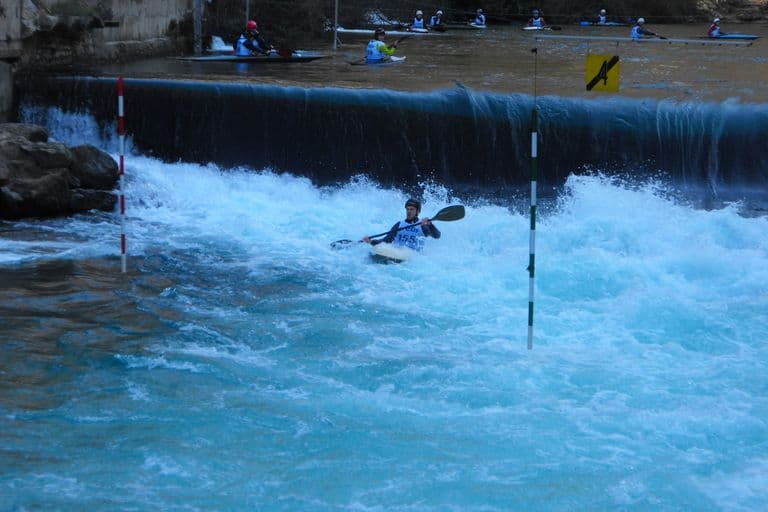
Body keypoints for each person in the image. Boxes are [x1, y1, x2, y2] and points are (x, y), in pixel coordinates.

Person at [362, 198, 441, 251]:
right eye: (407, 209)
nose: (409, 212)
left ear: (418, 212)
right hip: (396, 253)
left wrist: (431, 225)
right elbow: (386, 240)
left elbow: (437, 236)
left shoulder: (423, 225)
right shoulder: (399, 224)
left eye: (412, 209)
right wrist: (371, 241)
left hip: (412, 256)